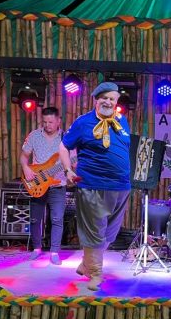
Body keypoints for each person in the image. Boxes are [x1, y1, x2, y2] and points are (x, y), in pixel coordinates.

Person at [59, 82, 131, 291]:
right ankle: (96, 273)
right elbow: (63, 146)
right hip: (93, 184)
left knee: (110, 233)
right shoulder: (83, 122)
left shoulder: (121, 121)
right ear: (96, 100)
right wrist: (68, 170)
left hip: (121, 186)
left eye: (112, 99)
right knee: (94, 232)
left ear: (116, 102)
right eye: (104, 98)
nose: (108, 102)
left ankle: (86, 263)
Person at [20, 106, 66, 265]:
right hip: (37, 183)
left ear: (58, 121)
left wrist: (74, 164)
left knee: (57, 218)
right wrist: (26, 168)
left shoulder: (66, 138)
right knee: (35, 219)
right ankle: (36, 249)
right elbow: (24, 156)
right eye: (45, 122)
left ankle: (54, 252)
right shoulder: (34, 136)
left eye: (51, 122)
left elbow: (73, 160)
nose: (47, 125)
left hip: (58, 185)